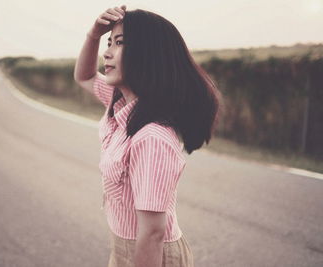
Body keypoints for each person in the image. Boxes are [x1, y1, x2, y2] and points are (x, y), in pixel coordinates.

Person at [74, 5, 221, 267]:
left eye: (119, 43)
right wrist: (93, 34)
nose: (106, 53)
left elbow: (153, 233)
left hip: (151, 255)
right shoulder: (120, 103)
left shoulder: (152, 137)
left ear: (148, 55)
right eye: (109, 43)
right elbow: (84, 76)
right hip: (125, 249)